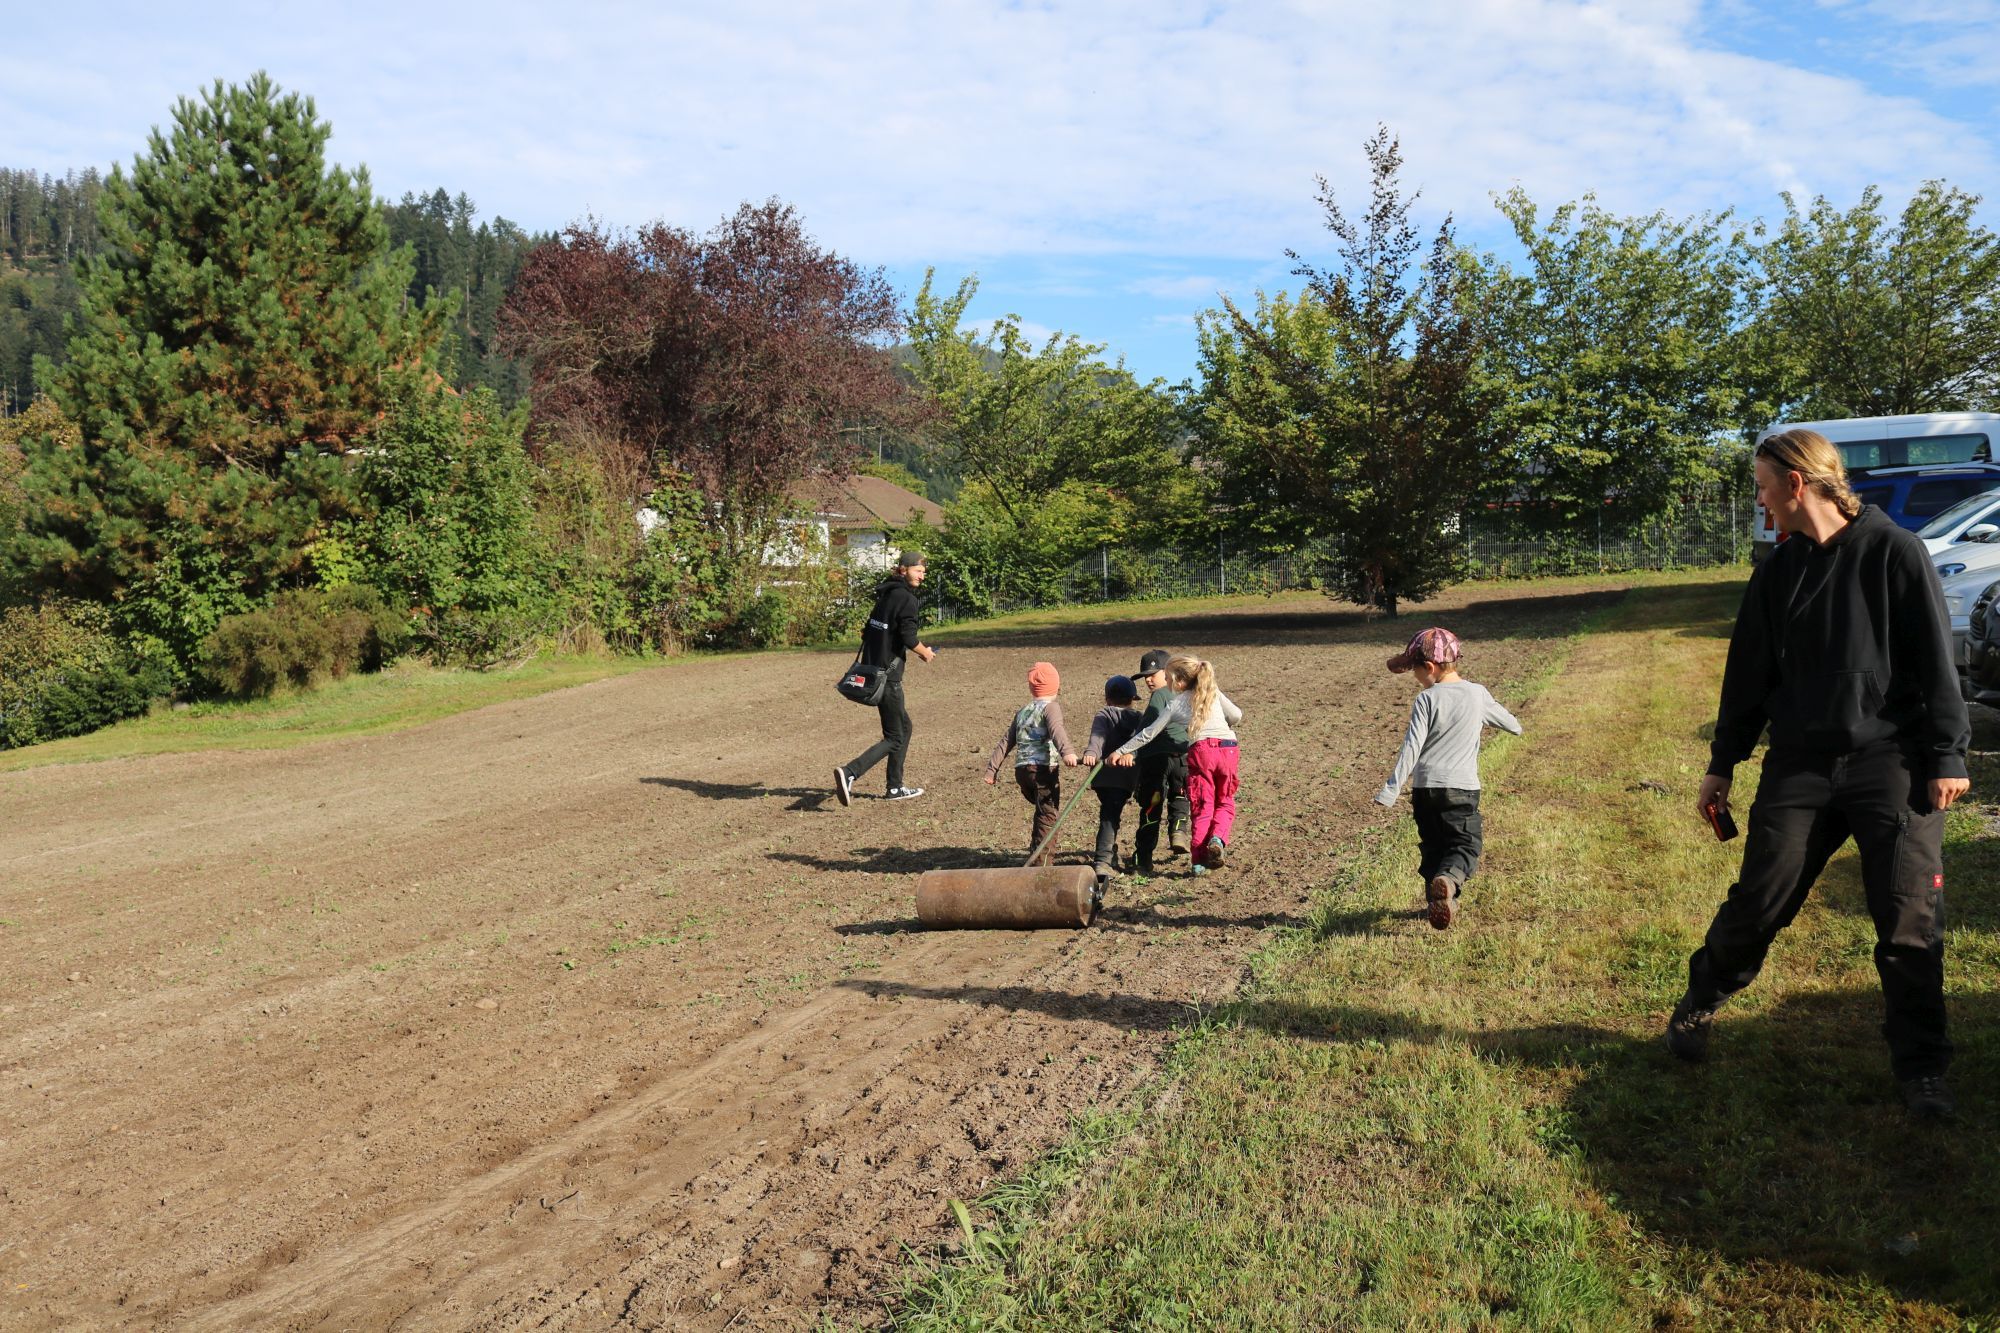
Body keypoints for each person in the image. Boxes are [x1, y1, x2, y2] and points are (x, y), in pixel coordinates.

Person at [1674, 428, 1969, 1120]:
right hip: (1800, 764)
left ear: (1797, 483)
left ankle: (1923, 1069)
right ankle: (1702, 998)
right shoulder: (1777, 573)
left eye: (1762, 487)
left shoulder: (1894, 551)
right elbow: (1748, 675)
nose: (1760, 500)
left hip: (1890, 762)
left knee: (1908, 919)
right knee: (1760, 900)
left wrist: (1948, 755)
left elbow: (1934, 659)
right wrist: (1723, 763)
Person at [1372, 627, 1523, 930]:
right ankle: (1449, 881)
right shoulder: (1477, 694)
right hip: (1461, 788)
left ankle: (1440, 901)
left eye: (1414, 670)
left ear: (1429, 667)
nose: (1414, 677)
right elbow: (1512, 725)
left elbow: (1411, 748)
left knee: (1434, 846)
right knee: (1464, 844)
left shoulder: (1426, 699)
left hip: (1424, 789)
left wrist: (1390, 791)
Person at [1109, 655, 1241, 872]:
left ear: (1179, 682)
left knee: (1202, 805)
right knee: (1225, 800)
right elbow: (1236, 715)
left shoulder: (1176, 702)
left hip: (1202, 751)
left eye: (1168, 679)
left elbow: (1148, 733)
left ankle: (1199, 861)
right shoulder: (1212, 692)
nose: (1167, 685)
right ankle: (1217, 839)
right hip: (1228, 747)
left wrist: (1122, 750)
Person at [834, 550, 935, 805]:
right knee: (895, 736)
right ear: (903, 569)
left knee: (904, 727)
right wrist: (926, 653)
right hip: (887, 678)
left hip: (874, 671)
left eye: (923, 572)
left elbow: (867, 632)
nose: (922, 576)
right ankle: (850, 772)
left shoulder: (886, 594)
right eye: (918, 571)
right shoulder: (906, 599)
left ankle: (894, 787)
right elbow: (909, 637)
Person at [983, 661, 1079, 865]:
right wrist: (1068, 752)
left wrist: (992, 770)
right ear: (1056, 687)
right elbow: (1056, 730)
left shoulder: (1023, 711)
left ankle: (1035, 851)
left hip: (1022, 772)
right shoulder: (1051, 707)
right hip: (1043, 770)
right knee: (1048, 815)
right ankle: (1042, 862)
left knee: (1041, 811)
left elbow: (1006, 741)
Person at [1078, 675, 1147, 891]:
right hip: (1130, 777)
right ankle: (1111, 856)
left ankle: (1103, 860)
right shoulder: (1140, 717)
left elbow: (1097, 739)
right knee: (1113, 813)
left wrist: (1091, 753)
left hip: (1106, 777)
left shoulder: (1104, 714)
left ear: (1107, 699)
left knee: (1109, 815)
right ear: (1132, 699)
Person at [1129, 649, 1192, 875]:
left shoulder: (1159, 696)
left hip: (1156, 760)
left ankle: (1143, 857)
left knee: (1152, 805)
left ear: (1167, 672)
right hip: (1183, 757)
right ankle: (1178, 832)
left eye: (1152, 674)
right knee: (1180, 795)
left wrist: (1129, 753)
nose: (1147, 679)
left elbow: (1145, 729)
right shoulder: (1187, 693)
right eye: (1144, 676)